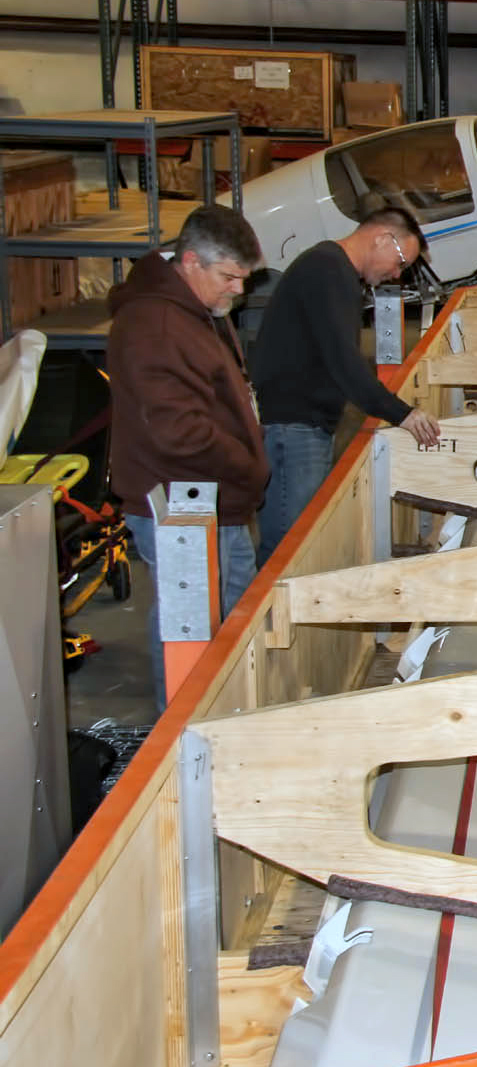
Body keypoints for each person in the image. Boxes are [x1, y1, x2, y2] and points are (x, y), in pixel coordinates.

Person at [107, 203, 270, 710]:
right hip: (186, 506)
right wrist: (248, 467)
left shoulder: (193, 310)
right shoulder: (156, 324)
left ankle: (211, 718)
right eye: (229, 277)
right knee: (192, 631)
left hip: (217, 500)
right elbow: (179, 431)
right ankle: (183, 736)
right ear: (192, 262)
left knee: (219, 625)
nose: (238, 291)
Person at [252, 206, 441, 562]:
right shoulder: (327, 270)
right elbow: (345, 363)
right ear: (383, 238)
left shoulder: (331, 270)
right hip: (293, 428)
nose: (396, 275)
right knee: (287, 554)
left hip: (303, 426)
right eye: (400, 263)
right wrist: (403, 414)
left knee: (296, 544)